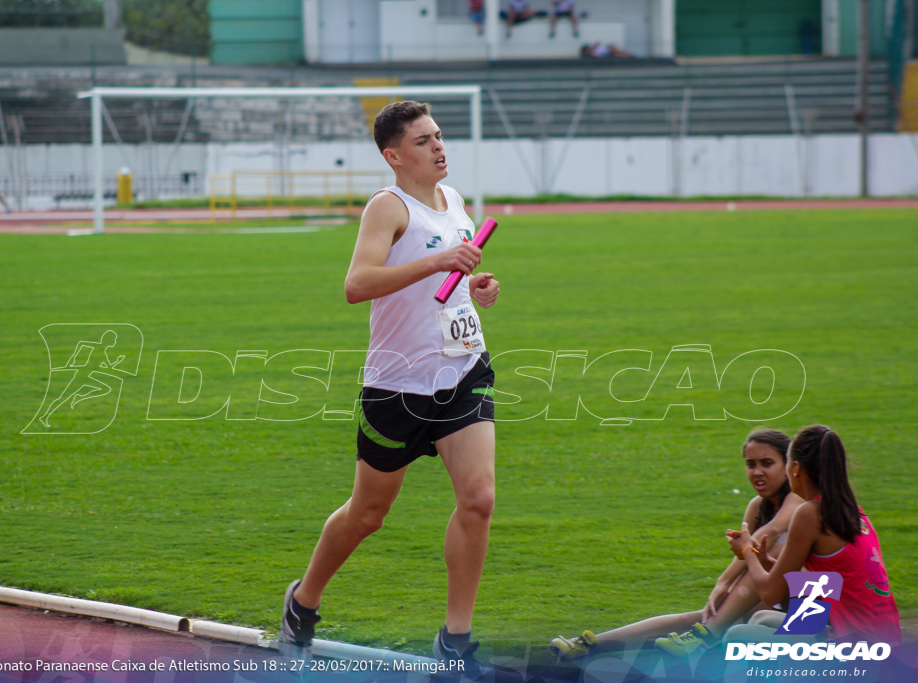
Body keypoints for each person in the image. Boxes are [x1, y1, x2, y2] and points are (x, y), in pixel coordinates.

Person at [280, 101, 501, 675]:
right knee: (368, 514)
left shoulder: (453, 202)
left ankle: (456, 637)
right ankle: (304, 599)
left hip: (462, 370)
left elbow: (451, 273)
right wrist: (437, 264)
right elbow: (358, 285)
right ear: (394, 155)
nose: (439, 146)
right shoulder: (386, 206)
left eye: (440, 136)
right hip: (397, 386)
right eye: (425, 141)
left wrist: (475, 285)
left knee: (479, 500)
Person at [550, 429, 805, 660]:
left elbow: (767, 536)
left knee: (765, 554)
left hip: (812, 603)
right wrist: (723, 584)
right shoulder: (757, 506)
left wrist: (725, 580)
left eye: (767, 464)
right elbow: (745, 556)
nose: (757, 472)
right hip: (776, 597)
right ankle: (590, 645)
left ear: (788, 466)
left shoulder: (798, 499)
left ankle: (706, 637)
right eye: (751, 465)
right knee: (704, 616)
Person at [725, 425, 900, 644]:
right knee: (762, 618)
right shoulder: (854, 511)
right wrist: (767, 562)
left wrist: (747, 552)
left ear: (796, 468)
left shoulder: (810, 513)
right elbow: (827, 587)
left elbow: (770, 594)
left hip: (857, 649)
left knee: (736, 637)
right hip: (883, 638)